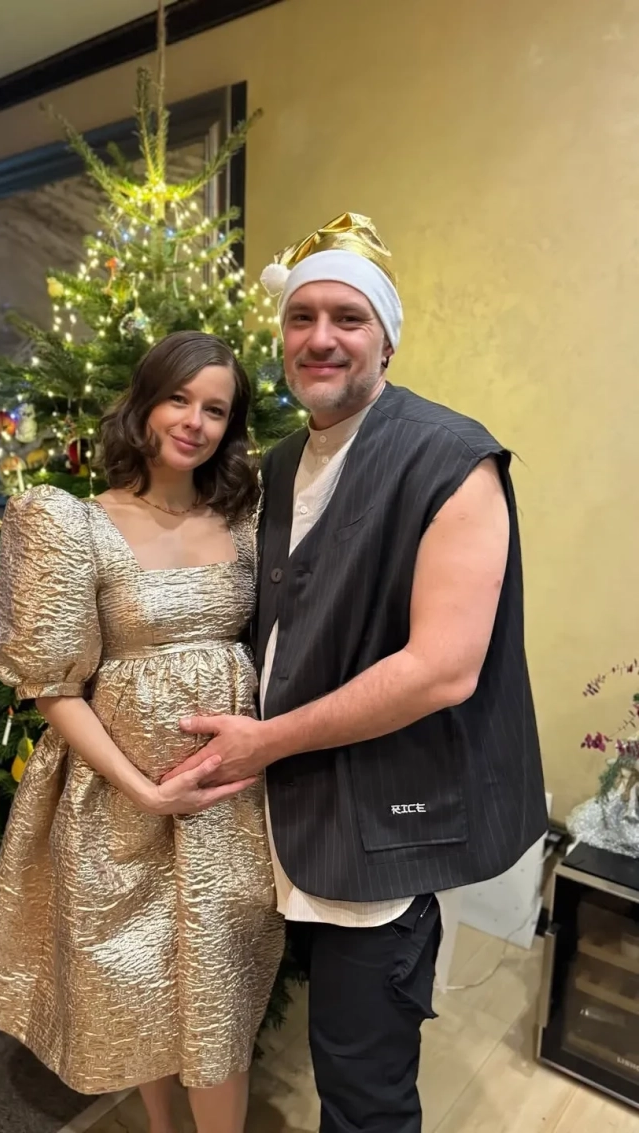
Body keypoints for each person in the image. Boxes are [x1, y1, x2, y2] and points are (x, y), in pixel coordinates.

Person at [165, 213, 549, 1132]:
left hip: (378, 831)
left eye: (348, 317)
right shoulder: (282, 463)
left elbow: (441, 671)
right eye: (302, 317)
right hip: (286, 810)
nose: (321, 338)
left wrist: (267, 741)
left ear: (387, 337)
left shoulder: (450, 459)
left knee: (363, 1090)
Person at [0, 330, 284, 1133]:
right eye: (179, 398)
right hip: (119, 803)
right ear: (143, 403)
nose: (195, 422)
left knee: (218, 1002)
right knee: (141, 990)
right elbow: (51, 685)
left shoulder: (246, 520)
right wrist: (144, 789)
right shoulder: (73, 524)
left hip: (229, 806)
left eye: (216, 409)